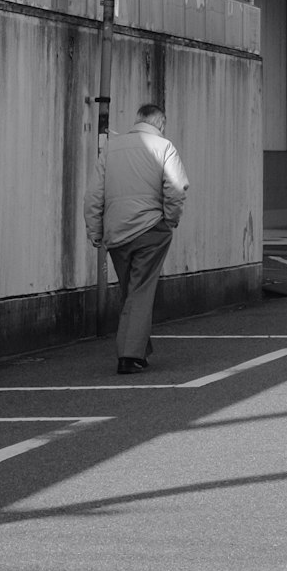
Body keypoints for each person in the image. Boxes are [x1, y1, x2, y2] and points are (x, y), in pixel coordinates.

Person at [83, 103, 189, 375]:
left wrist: (95, 231)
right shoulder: (164, 147)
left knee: (131, 291)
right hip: (150, 228)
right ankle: (130, 356)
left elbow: (94, 194)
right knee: (140, 292)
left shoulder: (112, 148)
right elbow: (176, 189)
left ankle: (140, 349)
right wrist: (170, 220)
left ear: (138, 120)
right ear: (161, 124)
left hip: (116, 233)